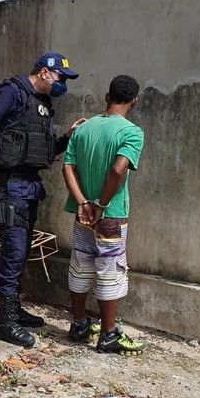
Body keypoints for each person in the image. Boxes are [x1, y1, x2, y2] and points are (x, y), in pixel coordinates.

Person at [0, 52, 85, 348]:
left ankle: (14, 309)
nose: (63, 85)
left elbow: (42, 151)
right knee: (14, 251)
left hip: (30, 186)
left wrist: (68, 137)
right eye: (61, 77)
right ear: (46, 73)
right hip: (8, 185)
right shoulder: (10, 92)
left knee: (21, 253)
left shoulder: (43, 104)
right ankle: (4, 321)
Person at [62, 75, 145, 355]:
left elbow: (68, 168)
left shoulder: (84, 128)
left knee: (81, 264)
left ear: (107, 96)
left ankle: (79, 324)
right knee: (111, 271)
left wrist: (83, 202)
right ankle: (108, 334)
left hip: (82, 213)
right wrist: (101, 204)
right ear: (134, 101)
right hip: (110, 214)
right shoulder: (132, 132)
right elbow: (118, 170)